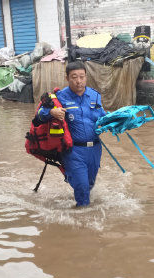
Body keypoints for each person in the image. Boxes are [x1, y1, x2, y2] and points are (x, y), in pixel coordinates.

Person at [36, 61, 106, 207]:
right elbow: (39, 116)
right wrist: (51, 112)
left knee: (89, 185)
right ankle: (82, 219)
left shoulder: (95, 96)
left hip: (95, 149)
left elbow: (103, 117)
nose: (79, 81)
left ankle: (82, 203)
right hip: (73, 150)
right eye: (74, 77)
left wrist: (116, 121)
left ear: (86, 77)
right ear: (67, 78)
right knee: (81, 186)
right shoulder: (59, 97)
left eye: (82, 76)